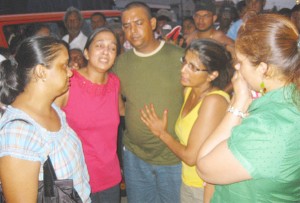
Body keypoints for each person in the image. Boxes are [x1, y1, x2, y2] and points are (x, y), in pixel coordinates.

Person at [196, 13, 300, 202]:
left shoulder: (270, 128)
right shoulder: (290, 97)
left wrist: (239, 102)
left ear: (263, 68)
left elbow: (204, 167)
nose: (237, 67)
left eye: (241, 62)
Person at [0, 36, 91, 202]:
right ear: (41, 71)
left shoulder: (52, 108)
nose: (70, 72)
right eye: (64, 65)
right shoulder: (19, 134)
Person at [140, 39, 232, 203]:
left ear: (212, 75)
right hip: (188, 180)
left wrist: (162, 133)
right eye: (184, 62)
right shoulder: (189, 91)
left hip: (204, 186)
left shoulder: (214, 102)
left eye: (193, 67)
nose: (183, 70)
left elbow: (191, 157)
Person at [113, 2, 184, 203]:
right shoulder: (121, 62)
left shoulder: (177, 57)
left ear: (152, 23)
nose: (132, 31)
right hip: (135, 157)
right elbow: (118, 103)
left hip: (172, 157)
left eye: (138, 23)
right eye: (126, 26)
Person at [56, 27, 124, 203]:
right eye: (99, 45)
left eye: (112, 48)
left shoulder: (115, 82)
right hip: (75, 178)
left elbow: (121, 112)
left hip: (110, 178)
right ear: (86, 52)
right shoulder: (68, 82)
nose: (106, 52)